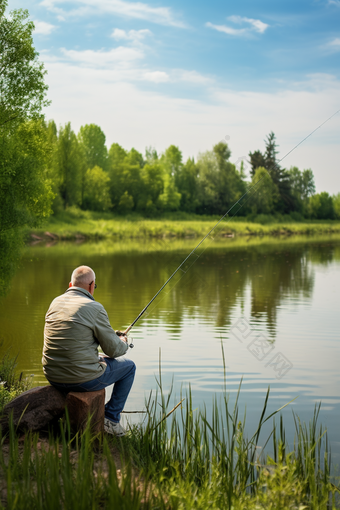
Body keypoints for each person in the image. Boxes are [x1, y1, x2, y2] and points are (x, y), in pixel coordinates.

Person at [42, 265, 135, 436]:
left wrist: (110, 337)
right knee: (129, 367)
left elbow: (76, 336)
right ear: (92, 285)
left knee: (99, 356)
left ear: (71, 285)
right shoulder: (94, 307)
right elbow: (114, 351)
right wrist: (122, 341)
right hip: (81, 379)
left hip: (52, 375)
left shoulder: (55, 302)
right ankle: (111, 419)